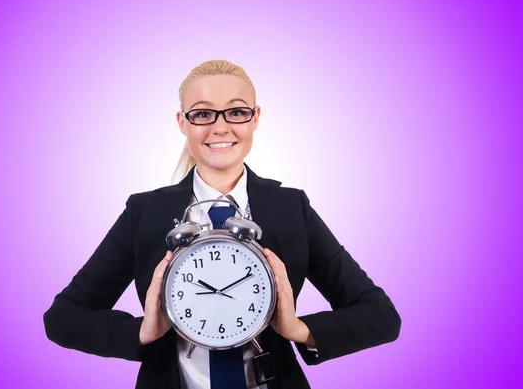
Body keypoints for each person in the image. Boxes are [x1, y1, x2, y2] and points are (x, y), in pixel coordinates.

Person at [43, 59, 402, 389]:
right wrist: (142, 331)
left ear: (255, 117)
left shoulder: (291, 208)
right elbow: (63, 318)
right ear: (182, 122)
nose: (220, 126)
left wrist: (298, 328)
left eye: (236, 111)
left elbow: (381, 317)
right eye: (202, 114)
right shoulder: (145, 212)